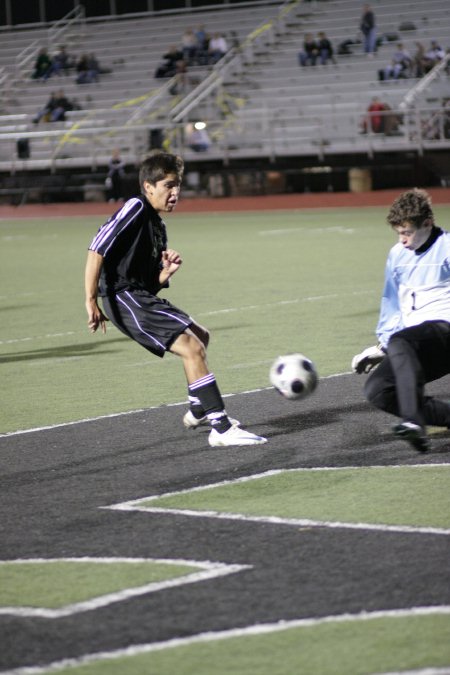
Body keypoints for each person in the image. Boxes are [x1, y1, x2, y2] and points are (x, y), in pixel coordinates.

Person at [84, 151, 267, 448]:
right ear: (148, 187)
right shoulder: (135, 206)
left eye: (178, 185)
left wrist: (166, 272)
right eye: (169, 185)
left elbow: (148, 286)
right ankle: (220, 427)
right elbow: (96, 248)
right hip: (122, 297)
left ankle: (198, 408)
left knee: (200, 336)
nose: (175, 192)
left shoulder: (158, 228)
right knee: (191, 348)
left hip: (137, 295)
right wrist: (90, 299)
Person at [352, 188, 450, 453]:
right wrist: (383, 347)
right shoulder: (397, 254)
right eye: (399, 233)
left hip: (445, 331)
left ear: (427, 223)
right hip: (416, 341)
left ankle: (413, 421)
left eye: (407, 232)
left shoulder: (447, 247)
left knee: (402, 339)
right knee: (378, 391)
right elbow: (392, 304)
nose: (403, 240)